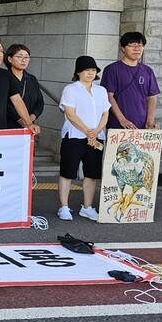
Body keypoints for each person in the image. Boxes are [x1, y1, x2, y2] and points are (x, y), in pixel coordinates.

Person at [56, 55, 111, 221]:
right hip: (74, 136)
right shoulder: (70, 89)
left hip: (96, 137)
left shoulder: (101, 91)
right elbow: (71, 115)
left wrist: (95, 132)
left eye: (93, 70)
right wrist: (89, 132)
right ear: (78, 72)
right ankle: (64, 207)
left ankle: (87, 207)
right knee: (67, 172)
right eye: (87, 70)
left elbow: (105, 114)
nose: (90, 73)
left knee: (91, 173)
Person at [103, 31, 160, 130]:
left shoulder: (147, 71)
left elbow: (152, 96)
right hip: (118, 125)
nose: (137, 49)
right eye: (132, 46)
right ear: (123, 48)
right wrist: (122, 120)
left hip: (142, 125)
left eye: (140, 45)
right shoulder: (112, 69)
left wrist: (150, 120)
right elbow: (108, 96)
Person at [5, 43, 45, 129]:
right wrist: (19, 119)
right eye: (20, 57)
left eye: (27, 57)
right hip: (8, 125)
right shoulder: (4, 78)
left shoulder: (31, 79)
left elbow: (40, 101)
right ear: (10, 59)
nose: (24, 60)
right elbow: (3, 103)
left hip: (28, 126)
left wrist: (31, 117)